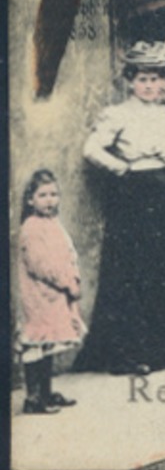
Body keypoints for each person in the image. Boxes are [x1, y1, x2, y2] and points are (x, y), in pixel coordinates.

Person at [77, 39, 165, 375]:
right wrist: (123, 168)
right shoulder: (117, 114)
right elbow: (92, 149)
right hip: (136, 198)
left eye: (154, 79)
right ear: (130, 82)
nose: (149, 86)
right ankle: (130, 353)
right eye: (142, 80)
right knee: (135, 272)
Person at [18, 170, 85, 414]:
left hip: (55, 295)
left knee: (49, 344)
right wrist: (66, 283)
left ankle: (46, 392)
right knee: (38, 342)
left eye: (54, 194)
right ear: (30, 200)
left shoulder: (53, 224)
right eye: (43, 195)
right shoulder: (31, 228)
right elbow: (40, 265)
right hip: (40, 296)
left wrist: (73, 278)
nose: (50, 200)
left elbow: (68, 254)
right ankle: (33, 398)